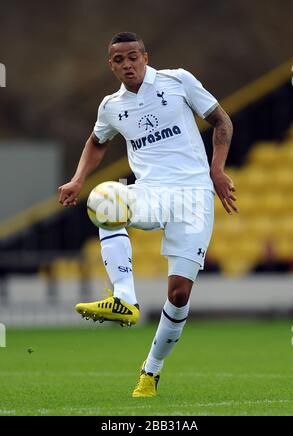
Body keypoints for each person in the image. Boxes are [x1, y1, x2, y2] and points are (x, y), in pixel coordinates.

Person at [58, 32, 238, 397]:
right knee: (105, 198)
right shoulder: (111, 106)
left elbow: (222, 121)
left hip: (193, 196)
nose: (127, 65)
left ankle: (151, 371)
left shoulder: (178, 81)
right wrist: (78, 180)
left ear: (145, 56)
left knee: (179, 294)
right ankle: (124, 298)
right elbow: (97, 141)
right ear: (111, 65)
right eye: (119, 60)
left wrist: (217, 170)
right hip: (151, 192)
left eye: (132, 57)